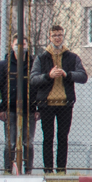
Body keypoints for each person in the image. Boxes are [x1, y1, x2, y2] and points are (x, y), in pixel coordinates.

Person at [30, 23, 88, 173]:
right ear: (49, 37)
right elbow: (33, 79)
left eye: (60, 35)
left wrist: (67, 74)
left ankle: (61, 169)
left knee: (63, 138)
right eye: (54, 35)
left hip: (65, 103)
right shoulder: (41, 58)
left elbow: (83, 76)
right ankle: (48, 170)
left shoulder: (72, 57)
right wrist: (48, 76)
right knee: (48, 138)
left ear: (63, 36)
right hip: (46, 103)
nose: (57, 38)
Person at [0, 38, 35, 173]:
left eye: (23, 44)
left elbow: (38, 86)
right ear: (12, 45)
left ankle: (28, 170)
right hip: (10, 108)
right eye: (17, 43)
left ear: (27, 46)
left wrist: (37, 108)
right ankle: (8, 170)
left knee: (28, 143)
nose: (20, 46)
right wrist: (1, 108)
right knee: (10, 143)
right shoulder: (3, 65)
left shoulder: (33, 64)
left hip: (29, 109)